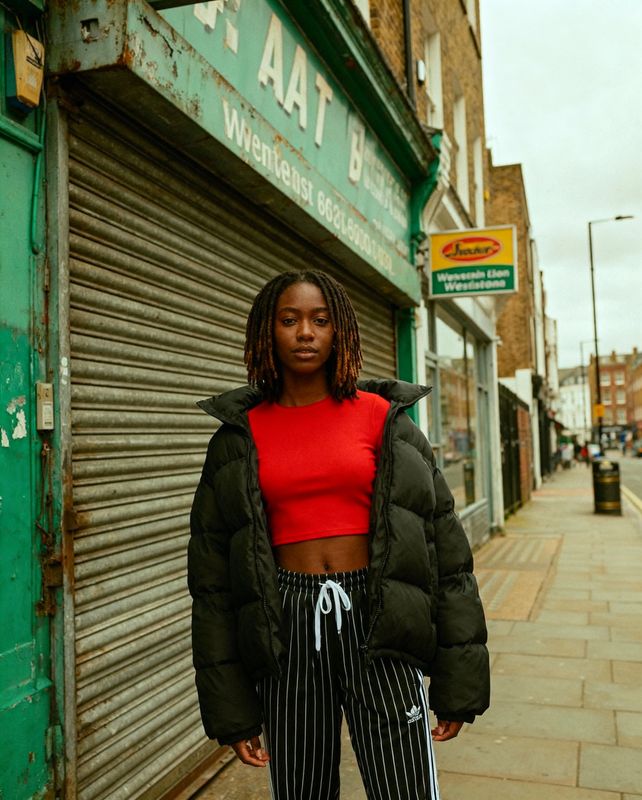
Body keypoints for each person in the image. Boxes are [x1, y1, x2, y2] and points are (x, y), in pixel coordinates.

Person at [188, 270, 490, 799]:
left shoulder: (385, 420)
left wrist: (458, 683)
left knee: (406, 790)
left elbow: (447, 555)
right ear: (266, 331)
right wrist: (232, 711)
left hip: (382, 616)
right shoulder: (238, 436)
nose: (305, 332)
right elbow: (213, 583)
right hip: (287, 626)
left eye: (320, 320)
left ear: (340, 333)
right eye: (289, 320)